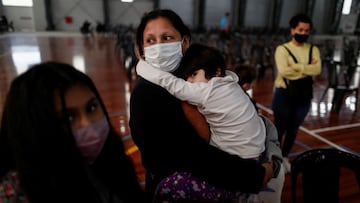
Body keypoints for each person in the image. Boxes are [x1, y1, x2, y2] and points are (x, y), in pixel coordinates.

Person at [129, 9, 274, 202]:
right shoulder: (147, 93)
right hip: (183, 184)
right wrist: (256, 176)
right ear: (142, 47)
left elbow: (240, 104)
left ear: (185, 42)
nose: (159, 46)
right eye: (150, 40)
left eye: (167, 37)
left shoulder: (192, 72)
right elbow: (196, 156)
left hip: (228, 167)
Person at [0, 62, 145, 203]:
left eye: (92, 108)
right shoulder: (18, 193)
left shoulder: (109, 161)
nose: (88, 125)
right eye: (68, 118)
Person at [272, 13, 321, 173]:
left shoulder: (313, 49)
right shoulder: (282, 49)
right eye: (300, 29)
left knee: (293, 129)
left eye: (307, 31)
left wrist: (296, 66)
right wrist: (307, 67)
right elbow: (285, 72)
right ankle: (276, 158)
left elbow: (318, 69)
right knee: (280, 129)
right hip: (284, 94)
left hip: (304, 95)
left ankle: (285, 156)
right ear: (292, 30)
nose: (304, 33)